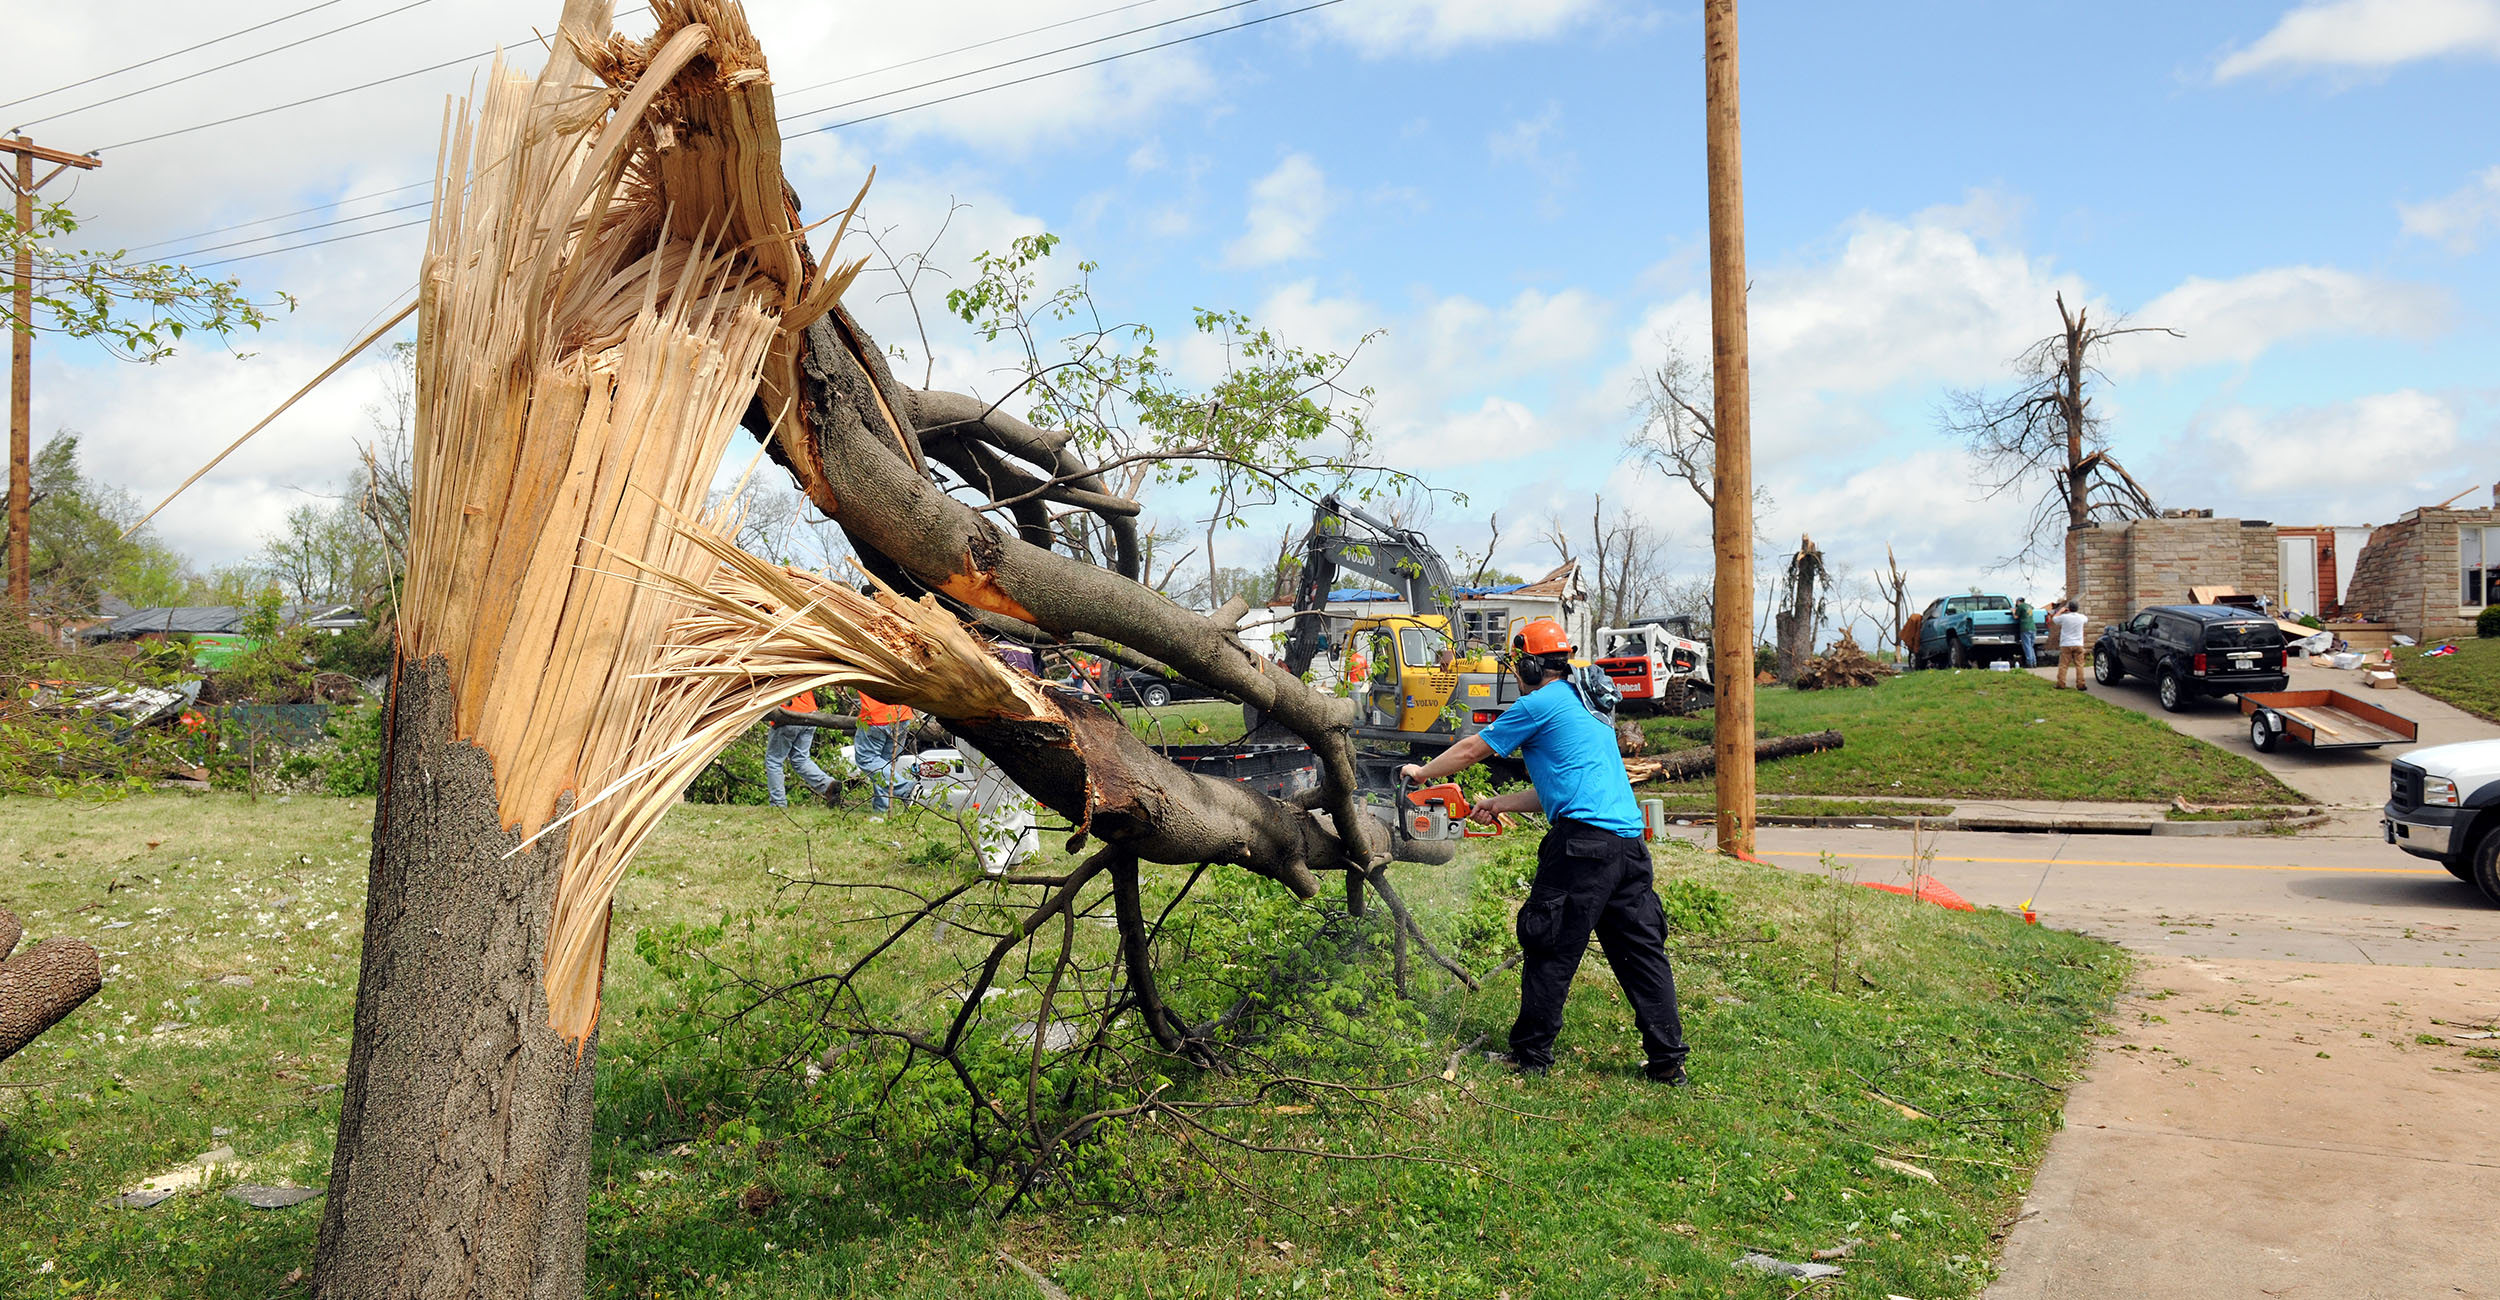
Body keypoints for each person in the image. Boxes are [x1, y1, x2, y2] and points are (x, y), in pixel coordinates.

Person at [1397, 617, 1690, 1085]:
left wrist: (1420, 772)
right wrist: (1497, 803)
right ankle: (1668, 1061)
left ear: (1530, 666)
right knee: (1641, 954)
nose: (1515, 675)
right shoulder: (1584, 702)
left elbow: (1473, 749)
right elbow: (1559, 789)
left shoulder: (1540, 702)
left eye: (1517, 666)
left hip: (1580, 850)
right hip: (1628, 849)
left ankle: (1530, 1055)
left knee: (1549, 945)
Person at [762, 689, 835, 809]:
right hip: (810, 713)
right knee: (801, 759)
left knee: (774, 760)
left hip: (787, 715)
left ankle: (778, 804)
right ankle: (828, 785)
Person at [854, 689, 916, 814]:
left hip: (875, 716)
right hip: (902, 714)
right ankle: (881, 810)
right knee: (883, 765)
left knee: (867, 759)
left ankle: (906, 789)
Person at [2052, 600, 2090, 690]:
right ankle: (2081, 684)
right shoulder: (2081, 617)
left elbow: (2054, 619)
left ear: (2068, 608)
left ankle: (2061, 684)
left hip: (2066, 644)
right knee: (2079, 665)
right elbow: (2086, 619)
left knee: (2063, 665)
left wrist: (2061, 611)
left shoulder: (2064, 617)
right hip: (2078, 643)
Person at [2014, 596, 2037, 669]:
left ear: (2018, 602)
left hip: (2025, 628)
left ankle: (2029, 663)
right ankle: (2034, 663)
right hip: (2033, 627)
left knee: (2027, 646)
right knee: (2031, 646)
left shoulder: (2020, 606)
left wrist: (2013, 611)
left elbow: (2016, 617)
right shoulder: (2029, 606)